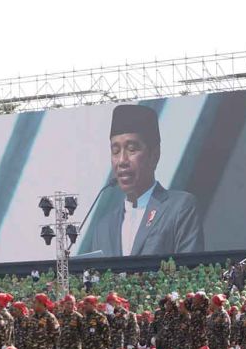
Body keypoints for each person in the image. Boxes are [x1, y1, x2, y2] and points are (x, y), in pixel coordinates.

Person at [87, 104, 204, 257]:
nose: (122, 160)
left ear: (154, 155)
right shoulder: (103, 228)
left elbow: (190, 272)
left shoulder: (180, 207)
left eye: (132, 149)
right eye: (115, 151)